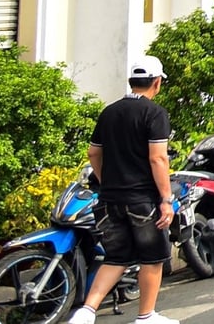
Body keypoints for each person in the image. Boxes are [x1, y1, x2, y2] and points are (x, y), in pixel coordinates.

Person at [68, 57, 175, 324]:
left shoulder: (109, 112)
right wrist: (166, 199)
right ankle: (146, 316)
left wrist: (106, 181)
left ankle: (86, 312)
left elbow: (93, 153)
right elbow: (158, 158)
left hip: (109, 199)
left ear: (132, 81)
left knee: (116, 258)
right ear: (157, 83)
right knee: (152, 258)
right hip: (143, 200)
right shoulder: (155, 113)